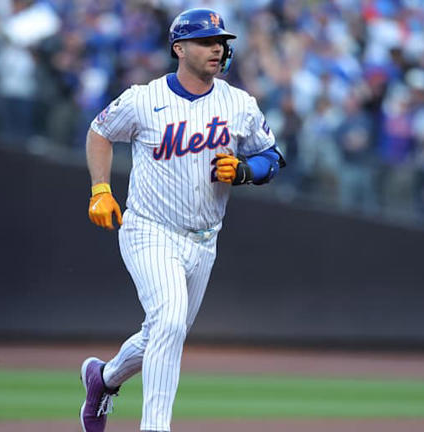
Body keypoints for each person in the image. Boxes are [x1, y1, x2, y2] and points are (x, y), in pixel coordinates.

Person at [79, 8, 285, 432]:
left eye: (220, 42)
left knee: (163, 333)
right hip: (149, 229)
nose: (217, 48)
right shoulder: (144, 98)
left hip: (204, 240)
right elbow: (99, 131)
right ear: (179, 48)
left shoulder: (238, 103)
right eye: (207, 41)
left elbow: (273, 156)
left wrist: (246, 170)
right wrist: (101, 188)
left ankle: (103, 378)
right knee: (170, 323)